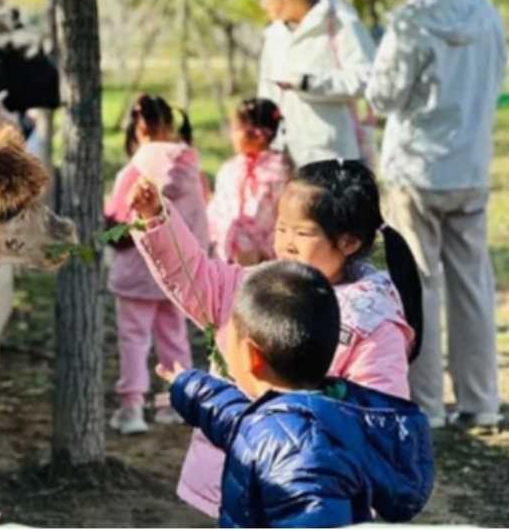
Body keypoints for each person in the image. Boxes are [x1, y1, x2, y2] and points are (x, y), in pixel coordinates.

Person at [126, 158, 423, 519]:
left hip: (311, 492)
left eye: (302, 233)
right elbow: (198, 280)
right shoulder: (263, 284)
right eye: (282, 228)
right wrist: (158, 220)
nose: (287, 244)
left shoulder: (371, 320)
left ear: (348, 241)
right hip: (230, 477)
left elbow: (377, 423)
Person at [154, 260, 434, 527]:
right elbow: (238, 419)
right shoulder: (322, 408)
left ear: (252, 356)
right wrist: (189, 387)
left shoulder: (299, 455)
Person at [365, 0, 507, 431]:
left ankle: (426, 404)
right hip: (470, 164)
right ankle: (481, 402)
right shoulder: (488, 12)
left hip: (417, 171)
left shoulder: (410, 19)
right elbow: (495, 77)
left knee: (418, 284)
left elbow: (382, 96)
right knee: (472, 285)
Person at [103, 93, 210, 435]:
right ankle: (173, 405)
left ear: (137, 129)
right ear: (168, 124)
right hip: (178, 270)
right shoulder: (191, 167)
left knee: (134, 338)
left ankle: (132, 409)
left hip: (137, 271)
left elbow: (116, 224)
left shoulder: (133, 170)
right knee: (174, 337)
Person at [256, 0, 378, 168]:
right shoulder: (274, 35)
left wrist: (307, 82)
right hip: (285, 157)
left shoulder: (339, 23)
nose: (263, 5)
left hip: (333, 155)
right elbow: (266, 92)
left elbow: (368, 78)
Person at [205, 97, 289, 266]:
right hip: (227, 254)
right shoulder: (230, 169)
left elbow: (282, 214)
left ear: (259, 134)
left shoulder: (279, 171)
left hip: (265, 258)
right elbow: (219, 210)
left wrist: (263, 250)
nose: (232, 134)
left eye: (237, 128)